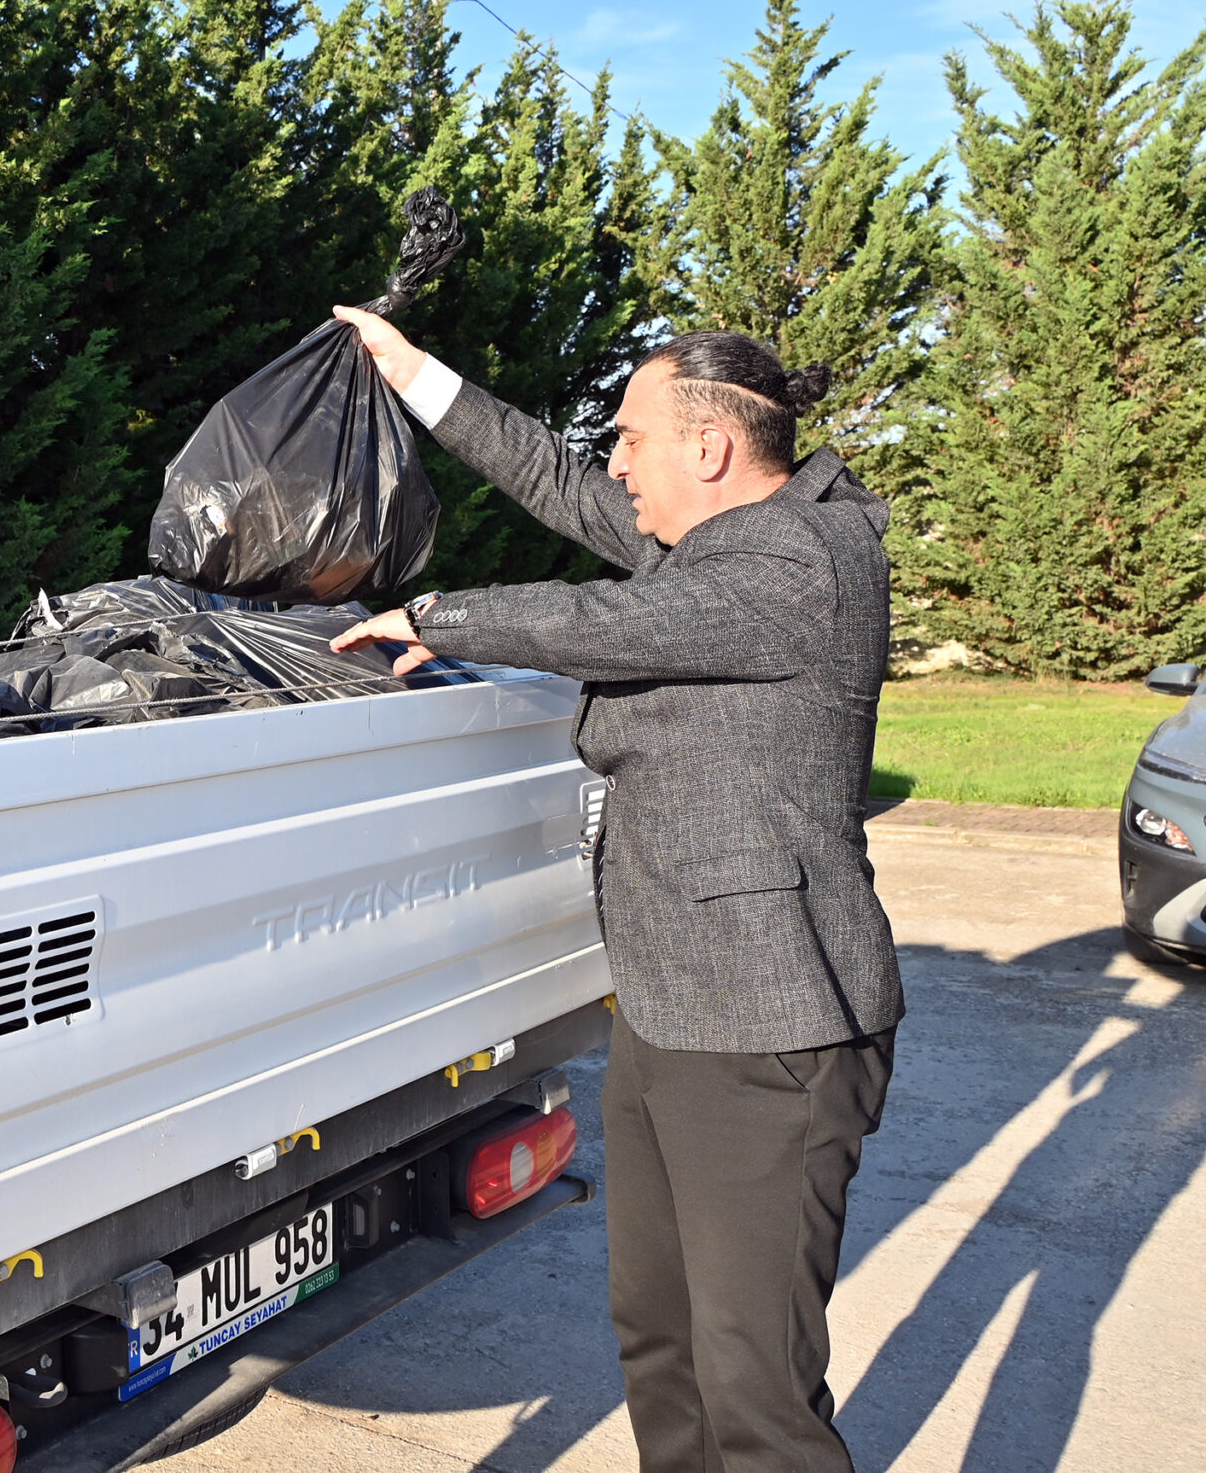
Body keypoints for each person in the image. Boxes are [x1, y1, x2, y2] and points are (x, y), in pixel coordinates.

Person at [330, 308, 901, 1473]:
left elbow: (608, 620)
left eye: (633, 437)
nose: (617, 463)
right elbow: (555, 480)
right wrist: (415, 372)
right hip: (672, 1006)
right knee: (661, 1338)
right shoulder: (718, 546)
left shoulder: (803, 558)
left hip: (770, 1019)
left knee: (754, 1388)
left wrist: (436, 613)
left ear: (709, 447)